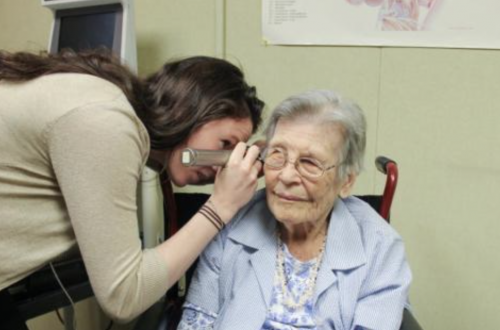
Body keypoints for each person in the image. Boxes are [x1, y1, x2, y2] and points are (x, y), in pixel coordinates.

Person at [0, 49, 264, 323]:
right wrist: (221, 206)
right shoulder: (104, 122)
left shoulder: (106, 106)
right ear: (190, 112)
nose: (224, 164)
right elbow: (123, 298)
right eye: (225, 144)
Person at [178, 90, 412, 330]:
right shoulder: (231, 224)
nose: (287, 176)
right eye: (277, 154)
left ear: (346, 181)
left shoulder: (380, 247)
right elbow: (196, 322)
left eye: (309, 162)